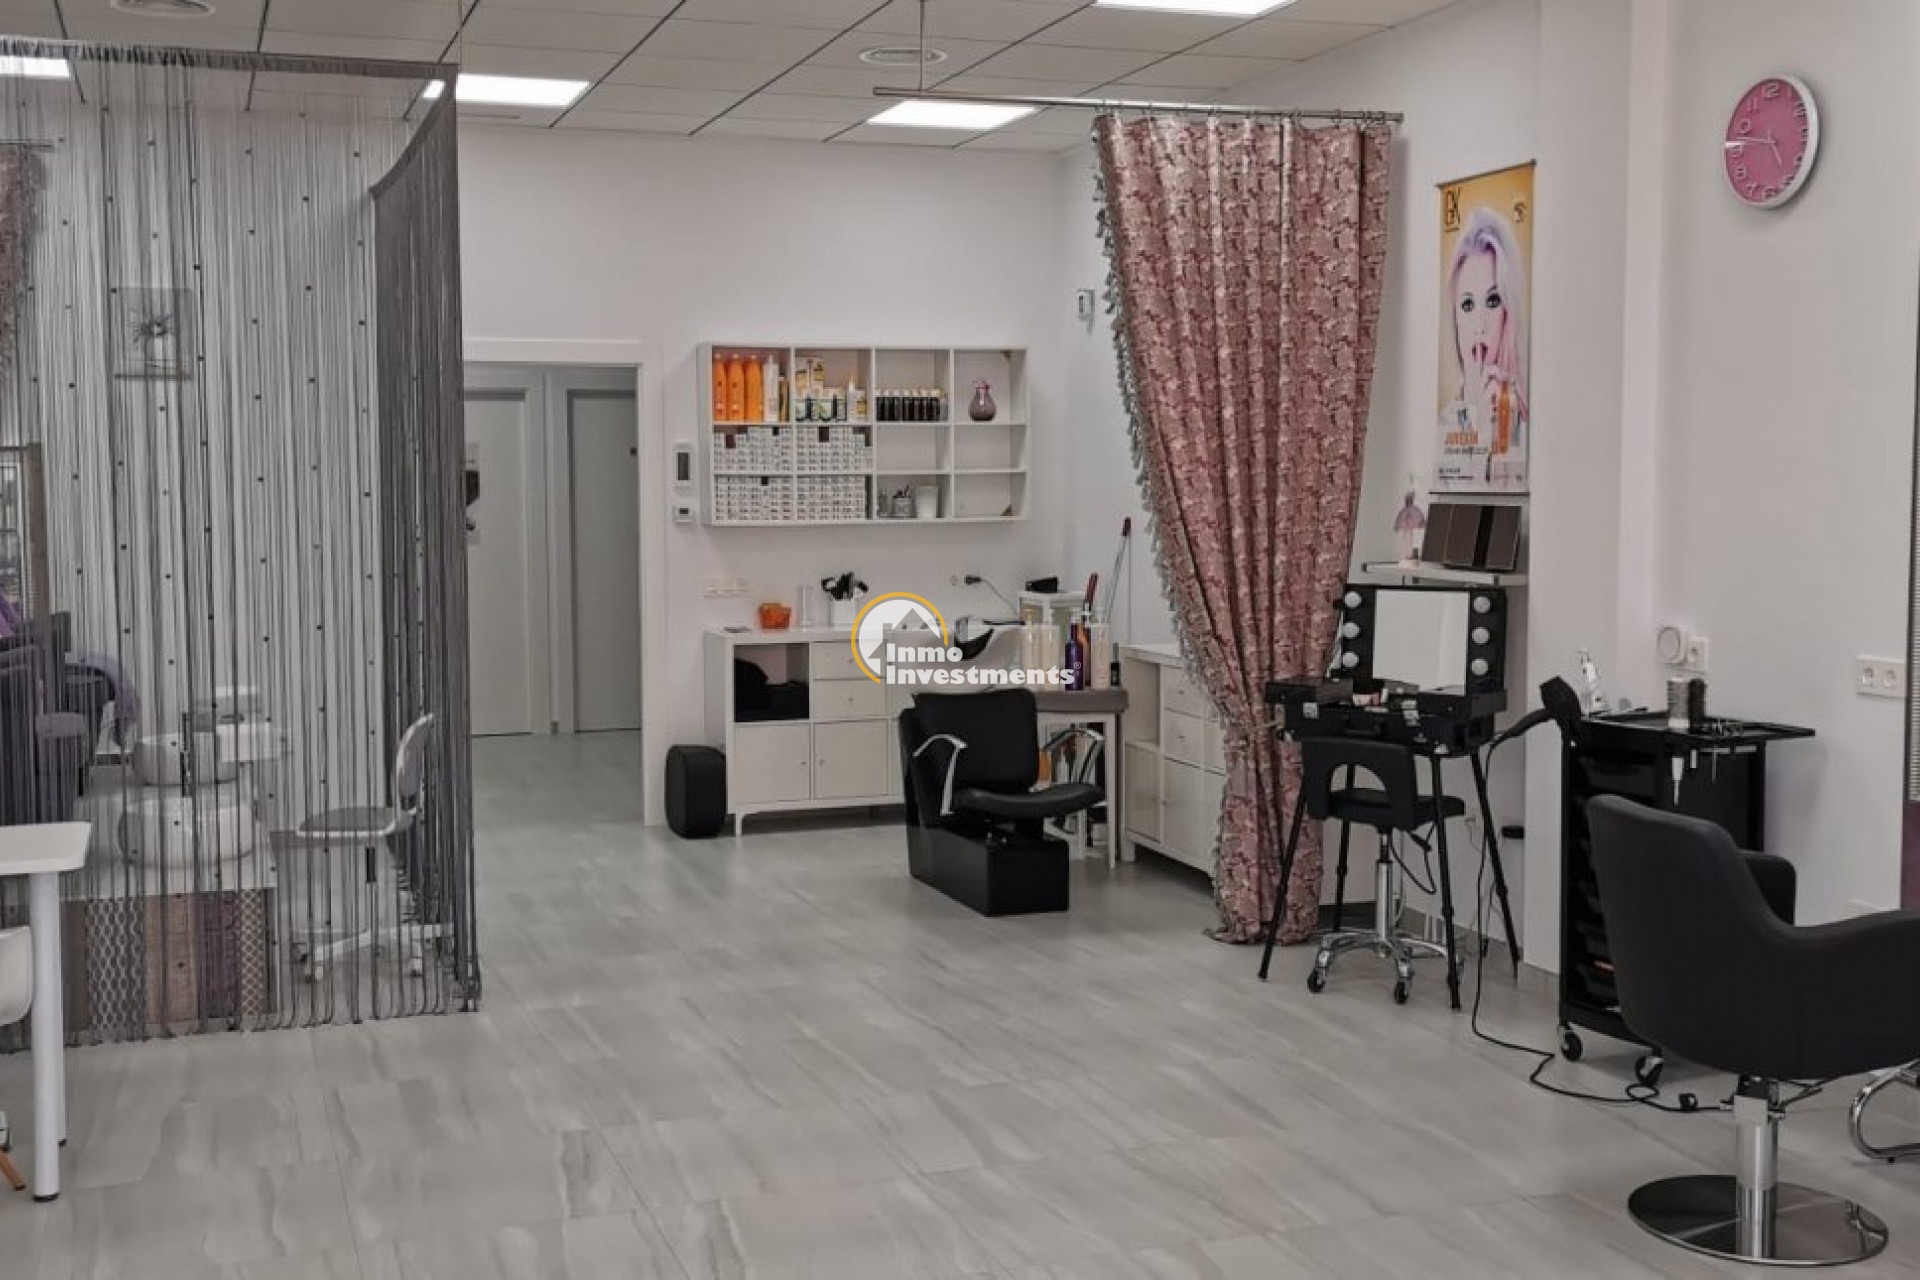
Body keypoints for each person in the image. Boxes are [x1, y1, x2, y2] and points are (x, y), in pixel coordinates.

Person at [1444, 207, 1530, 485]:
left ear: (1507, 313)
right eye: (1468, 304)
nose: (1479, 325)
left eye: (1492, 301)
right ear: (1456, 318)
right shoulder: (1445, 425)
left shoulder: (1522, 419)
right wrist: (1479, 432)